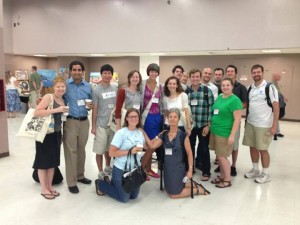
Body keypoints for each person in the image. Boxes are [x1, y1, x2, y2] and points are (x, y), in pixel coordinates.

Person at [144, 108, 210, 198]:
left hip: (179, 168)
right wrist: (146, 133)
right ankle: (192, 185)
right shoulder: (163, 135)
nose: (172, 119)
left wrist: (190, 170)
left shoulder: (183, 136)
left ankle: (198, 190)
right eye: (170, 117)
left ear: (178, 119)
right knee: (169, 189)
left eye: (175, 117)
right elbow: (151, 146)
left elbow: (190, 154)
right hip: (168, 169)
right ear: (168, 119)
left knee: (174, 195)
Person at [95, 108, 145, 203]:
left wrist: (141, 152)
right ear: (126, 118)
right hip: (120, 170)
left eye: (136, 116)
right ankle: (100, 184)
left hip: (134, 170)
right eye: (131, 117)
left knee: (134, 196)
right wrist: (130, 151)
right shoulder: (121, 133)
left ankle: (116, 184)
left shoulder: (140, 133)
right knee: (124, 198)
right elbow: (111, 153)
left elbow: (141, 149)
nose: (133, 119)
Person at [33, 77, 69, 199]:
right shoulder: (49, 97)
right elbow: (37, 112)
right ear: (54, 87)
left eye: (63, 86)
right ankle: (44, 189)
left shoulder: (63, 99)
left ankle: (50, 186)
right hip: (45, 134)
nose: (60, 88)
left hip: (56, 134)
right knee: (43, 162)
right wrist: (56, 110)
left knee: (52, 162)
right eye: (58, 86)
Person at [243, 64, 279, 184]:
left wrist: (274, 126)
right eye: (254, 72)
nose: (256, 74)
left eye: (258, 72)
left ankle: (266, 173)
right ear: (251, 74)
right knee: (252, 147)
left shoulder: (269, 87)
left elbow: (276, 106)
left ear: (262, 73)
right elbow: (247, 104)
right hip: (250, 123)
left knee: (263, 149)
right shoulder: (250, 87)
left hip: (264, 124)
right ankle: (255, 170)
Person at [63, 61, 93, 194]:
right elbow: (57, 98)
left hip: (84, 122)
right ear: (70, 71)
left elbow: (92, 101)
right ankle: (71, 181)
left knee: (81, 150)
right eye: (74, 70)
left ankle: (80, 175)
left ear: (83, 71)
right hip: (70, 121)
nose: (76, 72)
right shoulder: (65, 85)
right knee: (71, 152)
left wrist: (91, 106)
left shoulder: (88, 86)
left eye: (79, 70)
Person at [214, 65, 248, 176]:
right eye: (227, 71)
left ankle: (232, 166)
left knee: (233, 145)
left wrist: (231, 110)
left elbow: (243, 104)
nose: (229, 73)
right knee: (221, 150)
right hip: (221, 126)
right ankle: (222, 166)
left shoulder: (240, 89)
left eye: (231, 71)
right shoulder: (221, 93)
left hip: (233, 122)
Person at [210, 78, 242, 188]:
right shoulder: (220, 97)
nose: (225, 87)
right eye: (223, 85)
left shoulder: (235, 100)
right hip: (215, 131)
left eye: (228, 85)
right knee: (219, 155)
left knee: (222, 156)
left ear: (232, 86)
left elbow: (237, 119)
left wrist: (232, 135)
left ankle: (227, 180)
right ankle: (222, 176)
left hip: (225, 132)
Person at [185, 69, 214, 181]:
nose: (195, 78)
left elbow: (211, 109)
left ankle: (206, 172)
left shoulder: (207, 91)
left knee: (204, 149)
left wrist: (208, 125)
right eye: (193, 76)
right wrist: (188, 126)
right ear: (189, 77)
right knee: (190, 148)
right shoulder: (186, 92)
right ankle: (190, 169)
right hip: (191, 126)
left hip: (203, 126)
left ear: (200, 77)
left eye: (197, 76)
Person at [91, 64, 118, 179]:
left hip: (112, 125)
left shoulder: (115, 88)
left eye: (109, 73)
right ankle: (100, 171)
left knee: (109, 148)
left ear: (112, 75)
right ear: (101, 75)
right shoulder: (96, 90)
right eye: (105, 73)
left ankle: (108, 166)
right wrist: (93, 127)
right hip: (101, 124)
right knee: (100, 149)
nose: (107, 75)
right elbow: (95, 109)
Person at [140, 63, 163, 180]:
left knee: (154, 144)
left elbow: (162, 102)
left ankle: (147, 169)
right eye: (151, 71)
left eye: (156, 71)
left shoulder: (160, 86)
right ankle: (143, 168)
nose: (153, 73)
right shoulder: (142, 84)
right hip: (146, 118)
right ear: (148, 72)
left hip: (157, 117)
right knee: (149, 145)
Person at [272, 72, 287, 140]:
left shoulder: (276, 83)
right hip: (275, 104)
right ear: (275, 77)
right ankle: (275, 132)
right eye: (279, 76)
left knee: (276, 118)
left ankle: (277, 132)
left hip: (279, 103)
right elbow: (277, 93)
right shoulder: (273, 84)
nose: (280, 78)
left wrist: (284, 98)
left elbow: (279, 92)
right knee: (275, 118)